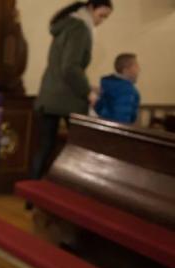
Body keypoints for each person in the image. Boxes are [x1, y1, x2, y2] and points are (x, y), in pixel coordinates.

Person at [30, 0, 113, 181]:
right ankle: (74, 190)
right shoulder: (80, 28)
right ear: (91, 8)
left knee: (45, 147)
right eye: (101, 15)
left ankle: (30, 190)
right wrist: (87, 92)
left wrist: (88, 86)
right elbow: (70, 68)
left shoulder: (66, 25)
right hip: (68, 99)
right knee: (80, 148)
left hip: (49, 95)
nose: (101, 21)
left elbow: (62, 67)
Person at [95, 53, 141, 124]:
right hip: (117, 129)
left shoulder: (108, 85)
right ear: (126, 70)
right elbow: (122, 120)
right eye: (136, 66)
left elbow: (101, 110)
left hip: (103, 126)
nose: (139, 69)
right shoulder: (126, 90)